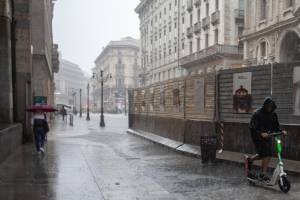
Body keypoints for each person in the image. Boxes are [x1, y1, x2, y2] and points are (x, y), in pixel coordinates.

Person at [245, 97, 287, 181]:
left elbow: (276, 126)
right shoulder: (257, 113)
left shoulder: (273, 114)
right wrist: (260, 133)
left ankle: (250, 160)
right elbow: (252, 127)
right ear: (265, 106)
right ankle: (263, 174)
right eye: (268, 107)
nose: (269, 109)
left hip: (268, 136)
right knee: (266, 153)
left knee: (264, 154)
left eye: (271, 107)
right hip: (257, 137)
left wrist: (281, 131)